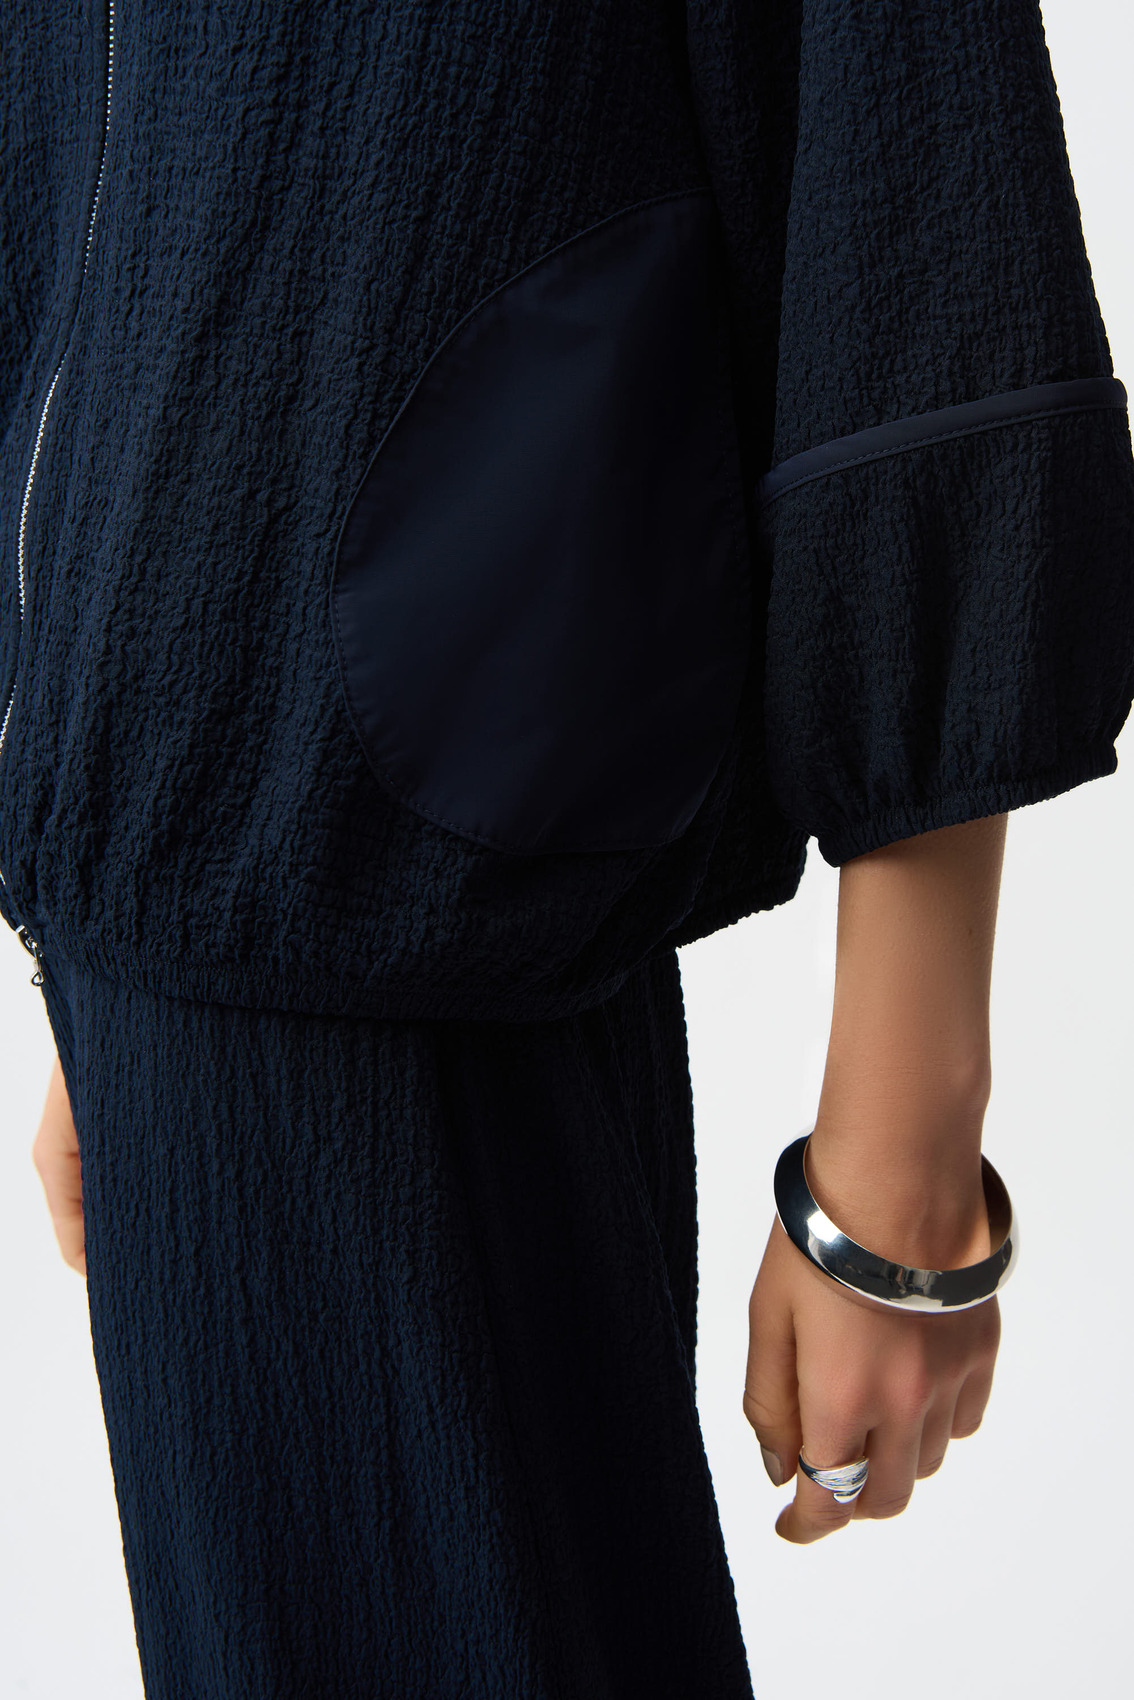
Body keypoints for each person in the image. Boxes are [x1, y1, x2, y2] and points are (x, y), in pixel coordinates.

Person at [5, 1, 1132, 1695]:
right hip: (169, 971)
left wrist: (899, 1155)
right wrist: (122, 871)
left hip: (439, 929)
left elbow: (906, 185)